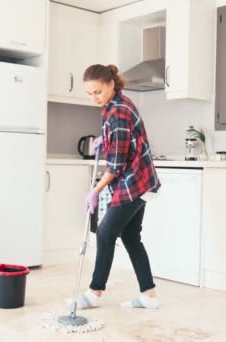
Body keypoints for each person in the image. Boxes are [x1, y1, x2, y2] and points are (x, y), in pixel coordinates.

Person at [68, 64, 162, 310]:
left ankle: (94, 292)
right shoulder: (117, 104)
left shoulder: (117, 112)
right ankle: (148, 296)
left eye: (97, 92)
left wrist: (95, 190)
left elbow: (117, 165)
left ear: (111, 84)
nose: (94, 98)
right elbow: (122, 144)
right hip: (141, 180)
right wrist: (105, 141)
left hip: (133, 182)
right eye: (90, 93)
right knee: (131, 237)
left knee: (106, 232)